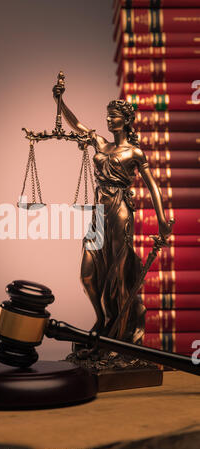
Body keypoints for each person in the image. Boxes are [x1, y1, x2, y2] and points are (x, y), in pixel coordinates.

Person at [53, 84, 172, 357]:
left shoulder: (134, 153)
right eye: (107, 115)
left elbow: (153, 186)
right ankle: (101, 320)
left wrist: (162, 221)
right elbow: (77, 125)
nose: (108, 119)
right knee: (88, 272)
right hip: (99, 211)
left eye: (113, 116)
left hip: (120, 210)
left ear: (126, 120)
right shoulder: (101, 144)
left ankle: (118, 338)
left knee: (119, 274)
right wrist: (59, 101)